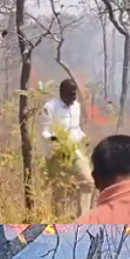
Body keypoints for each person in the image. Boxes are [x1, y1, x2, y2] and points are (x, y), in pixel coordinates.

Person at [40, 78, 93, 216]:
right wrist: (54, 138)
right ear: (61, 93)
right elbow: (44, 131)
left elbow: (75, 127)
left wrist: (83, 137)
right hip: (56, 154)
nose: (74, 97)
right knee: (59, 192)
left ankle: (83, 218)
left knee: (88, 181)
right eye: (71, 94)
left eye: (75, 94)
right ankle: (59, 223)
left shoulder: (76, 106)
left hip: (74, 152)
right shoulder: (49, 107)